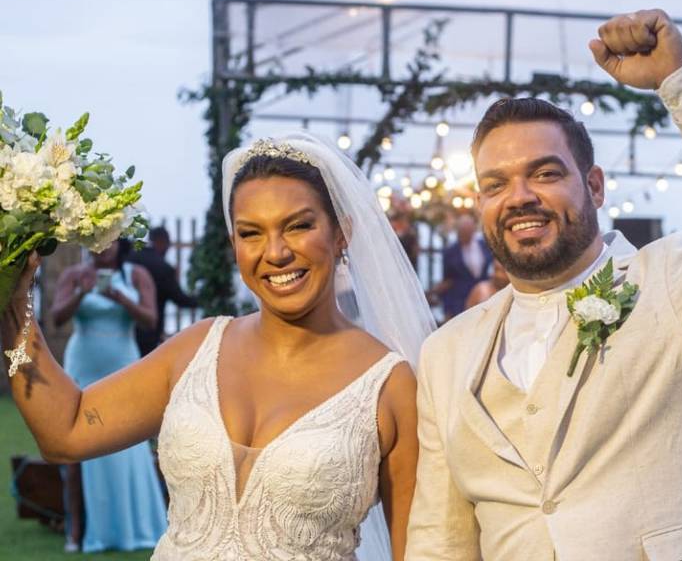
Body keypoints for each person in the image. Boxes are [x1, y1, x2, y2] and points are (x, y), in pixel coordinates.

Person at [406, 9, 682, 560]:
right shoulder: (445, 353)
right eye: (495, 184)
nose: (519, 196)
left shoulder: (677, 281)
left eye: (545, 174)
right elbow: (441, 537)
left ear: (594, 186)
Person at [1, 134, 434, 560]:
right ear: (235, 246)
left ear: (342, 233)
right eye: (251, 233)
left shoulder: (388, 387)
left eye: (299, 225)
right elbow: (67, 431)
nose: (276, 252)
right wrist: (16, 306)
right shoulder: (196, 349)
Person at [51, 239, 167, 553]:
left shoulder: (135, 275)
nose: (102, 249)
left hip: (122, 365)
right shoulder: (75, 275)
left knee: (128, 446)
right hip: (82, 366)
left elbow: (150, 319)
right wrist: (82, 293)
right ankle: (75, 532)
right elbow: (57, 318)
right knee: (76, 448)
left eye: (109, 242)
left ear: (118, 244)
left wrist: (119, 297)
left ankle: (131, 524)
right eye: (95, 242)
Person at [128, 226, 199, 357]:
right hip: (148, 331)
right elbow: (180, 299)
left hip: (124, 328)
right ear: (162, 242)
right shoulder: (163, 268)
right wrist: (202, 299)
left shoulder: (131, 257)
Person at [427, 212, 493, 321]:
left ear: (473, 230)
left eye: (467, 232)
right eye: (462, 232)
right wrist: (446, 307)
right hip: (459, 302)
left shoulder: (484, 246)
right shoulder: (450, 252)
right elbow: (448, 280)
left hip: (484, 299)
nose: (464, 235)